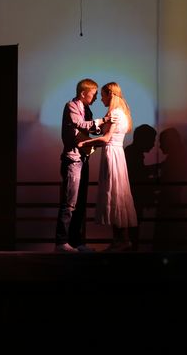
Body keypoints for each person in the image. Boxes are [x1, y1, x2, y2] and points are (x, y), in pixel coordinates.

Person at [55, 78, 114, 252]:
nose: (96, 98)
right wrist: (103, 120)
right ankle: (61, 242)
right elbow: (80, 124)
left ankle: (76, 242)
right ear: (83, 93)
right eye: (93, 94)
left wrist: (103, 128)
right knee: (70, 203)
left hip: (83, 158)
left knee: (80, 204)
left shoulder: (86, 109)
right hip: (73, 160)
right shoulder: (71, 106)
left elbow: (88, 128)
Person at [77, 82, 137, 251]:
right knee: (117, 194)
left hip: (112, 154)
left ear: (109, 94)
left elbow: (106, 138)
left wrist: (84, 143)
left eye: (102, 95)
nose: (100, 99)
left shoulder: (115, 113)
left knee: (114, 194)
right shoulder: (122, 112)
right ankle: (120, 240)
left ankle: (121, 240)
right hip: (117, 153)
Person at [124, 124, 158, 251]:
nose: (153, 144)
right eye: (151, 140)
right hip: (133, 199)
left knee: (133, 229)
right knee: (134, 229)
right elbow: (138, 174)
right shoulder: (133, 154)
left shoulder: (131, 151)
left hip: (131, 198)